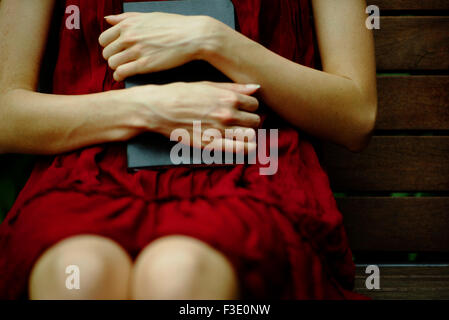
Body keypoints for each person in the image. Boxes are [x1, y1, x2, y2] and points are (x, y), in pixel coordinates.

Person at [0, 0, 377, 300]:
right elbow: (6, 115)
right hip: (87, 176)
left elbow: (355, 115)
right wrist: (147, 108)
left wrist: (213, 40)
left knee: (179, 275)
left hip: (252, 173)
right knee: (81, 273)